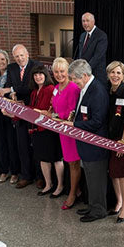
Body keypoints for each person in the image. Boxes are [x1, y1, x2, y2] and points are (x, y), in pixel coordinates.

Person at [65, 59, 109, 222]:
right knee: (90, 178)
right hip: (86, 144)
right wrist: (74, 115)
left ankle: (99, 211)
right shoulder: (86, 88)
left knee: (96, 179)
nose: (73, 82)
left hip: (95, 146)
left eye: (73, 78)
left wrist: (74, 124)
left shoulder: (97, 91)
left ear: (83, 75)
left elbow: (97, 121)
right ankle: (92, 206)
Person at [0, 44, 42, 189]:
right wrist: (12, 94)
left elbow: (31, 86)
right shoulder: (11, 68)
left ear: (27, 54)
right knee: (22, 145)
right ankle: (26, 176)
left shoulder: (36, 65)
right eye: (16, 56)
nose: (19, 58)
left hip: (34, 110)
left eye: (22, 55)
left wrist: (10, 89)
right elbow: (9, 85)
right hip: (18, 111)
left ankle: (39, 177)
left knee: (36, 146)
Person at [106, 61, 124, 223]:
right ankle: (118, 201)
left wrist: (123, 142)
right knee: (114, 172)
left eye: (118, 73)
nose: (115, 75)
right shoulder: (109, 91)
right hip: (109, 138)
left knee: (123, 173)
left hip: (122, 139)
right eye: (112, 72)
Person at [28, 65, 64, 197]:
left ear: (46, 75)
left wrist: (35, 111)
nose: (38, 77)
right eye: (35, 75)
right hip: (37, 129)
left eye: (40, 74)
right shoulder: (34, 91)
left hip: (49, 129)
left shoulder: (50, 89)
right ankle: (48, 184)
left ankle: (60, 186)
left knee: (55, 158)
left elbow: (49, 110)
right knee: (43, 158)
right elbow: (33, 109)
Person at [51, 57, 82, 208]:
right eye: (56, 72)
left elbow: (73, 112)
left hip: (70, 131)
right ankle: (77, 190)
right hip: (61, 131)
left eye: (62, 71)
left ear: (68, 72)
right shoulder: (56, 87)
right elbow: (55, 107)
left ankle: (72, 194)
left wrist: (60, 119)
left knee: (74, 163)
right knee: (69, 162)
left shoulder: (73, 88)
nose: (59, 74)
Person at [0, 49, 20, 184]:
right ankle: (4, 170)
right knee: (1, 143)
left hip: (9, 114)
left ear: (7, 61)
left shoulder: (12, 75)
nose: (1, 62)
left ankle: (14, 172)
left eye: (3, 59)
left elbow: (16, 90)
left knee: (11, 143)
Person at [75, 12, 108, 86]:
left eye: (87, 21)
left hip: (96, 75)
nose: (85, 23)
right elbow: (80, 54)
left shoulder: (101, 36)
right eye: (83, 21)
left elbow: (97, 57)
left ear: (93, 21)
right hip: (83, 75)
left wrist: (84, 70)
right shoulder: (82, 35)